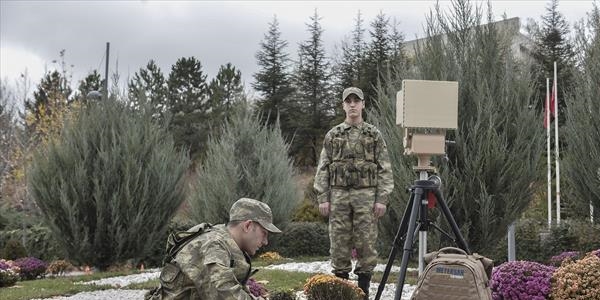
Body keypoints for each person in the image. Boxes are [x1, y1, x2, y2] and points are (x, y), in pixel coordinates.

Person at [314, 87, 394, 298]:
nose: (352, 105)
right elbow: (323, 167)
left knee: (366, 245)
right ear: (343, 105)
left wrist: (382, 199)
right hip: (338, 195)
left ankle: (363, 292)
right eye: (348, 101)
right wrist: (323, 197)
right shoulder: (333, 135)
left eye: (356, 101)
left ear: (363, 104)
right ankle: (342, 292)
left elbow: (384, 168)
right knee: (338, 244)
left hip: (366, 197)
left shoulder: (373, 134)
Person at [148, 197, 281, 300]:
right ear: (247, 226)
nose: (265, 242)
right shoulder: (213, 245)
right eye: (264, 233)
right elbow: (224, 294)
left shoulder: (223, 241)